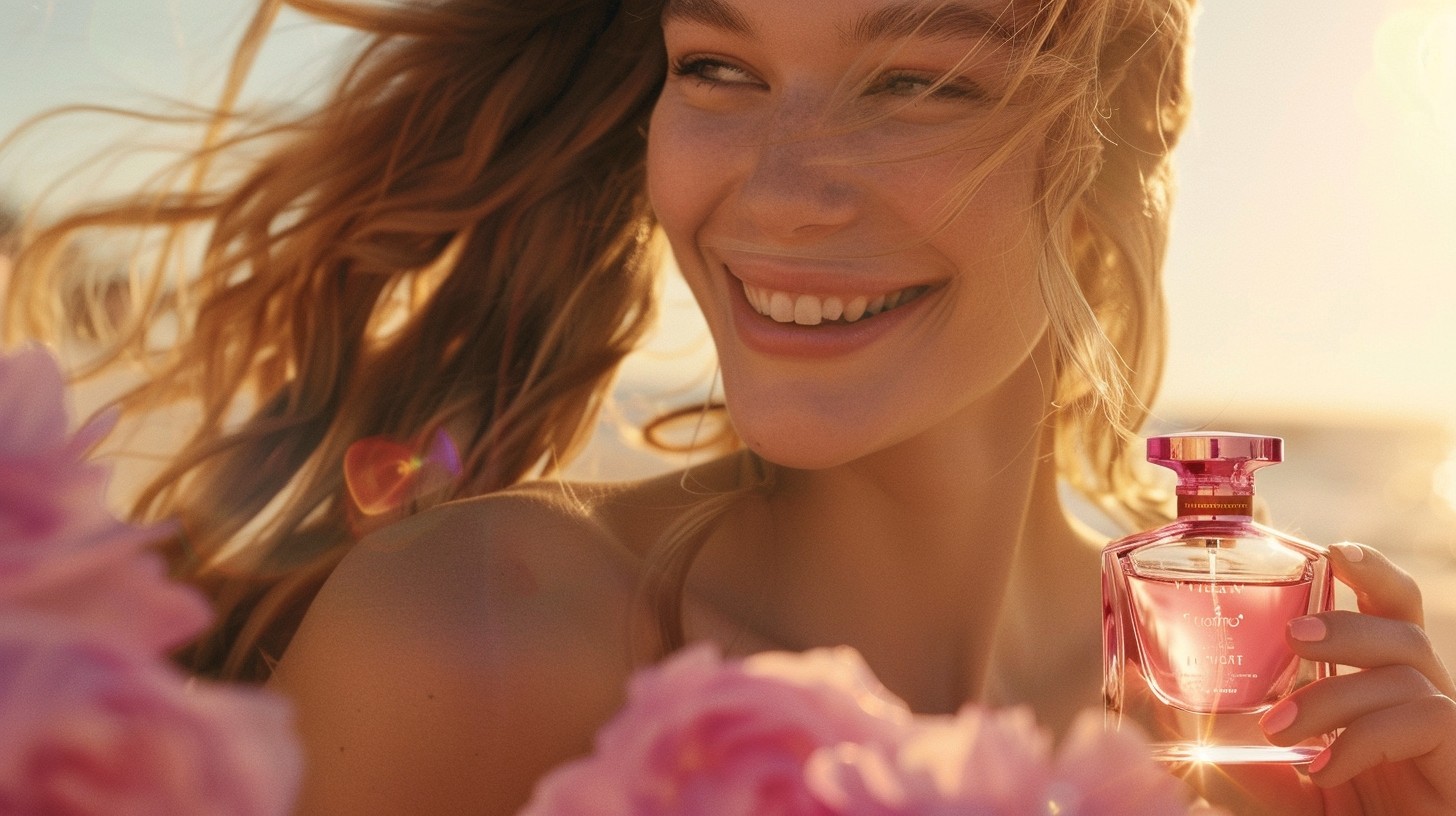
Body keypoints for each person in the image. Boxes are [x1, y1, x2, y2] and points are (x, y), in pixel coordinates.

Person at [5, 0, 1454, 813]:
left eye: (914, 83)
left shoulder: (1259, 732)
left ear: (1109, 159)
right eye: (718, 69)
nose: (775, 187)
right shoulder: (478, 633)